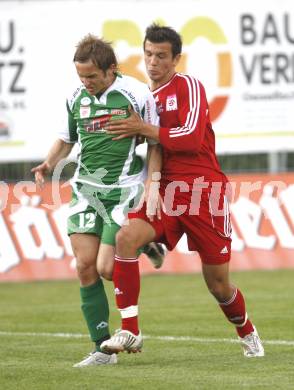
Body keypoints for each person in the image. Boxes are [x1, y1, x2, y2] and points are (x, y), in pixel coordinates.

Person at [100, 24, 264, 358]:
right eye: (147, 54)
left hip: (205, 194)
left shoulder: (188, 86)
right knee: (126, 237)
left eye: (161, 55)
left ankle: (246, 332)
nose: (152, 61)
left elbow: (189, 138)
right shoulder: (145, 98)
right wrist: (153, 183)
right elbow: (153, 147)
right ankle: (130, 330)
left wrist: (144, 128)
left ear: (176, 59)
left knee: (218, 285)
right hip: (168, 194)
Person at [31, 34, 165, 367]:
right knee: (84, 266)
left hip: (123, 188)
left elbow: (155, 142)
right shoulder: (75, 96)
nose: (86, 83)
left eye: (92, 76)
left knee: (108, 268)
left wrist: (153, 183)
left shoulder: (136, 93)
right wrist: (48, 163)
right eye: (81, 77)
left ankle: (140, 245)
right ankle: (101, 349)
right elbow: (66, 139)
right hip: (85, 189)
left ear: (110, 70)